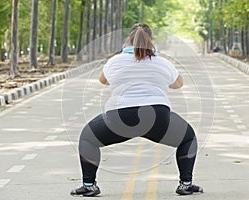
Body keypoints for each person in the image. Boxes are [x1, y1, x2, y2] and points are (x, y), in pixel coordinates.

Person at [70, 23, 203, 197]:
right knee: (188, 138)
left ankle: (89, 185)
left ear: (128, 40)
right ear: (151, 41)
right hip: (157, 116)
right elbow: (179, 84)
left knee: (87, 137)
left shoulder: (115, 61)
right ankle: (186, 184)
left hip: (120, 117)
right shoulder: (162, 62)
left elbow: (103, 80)